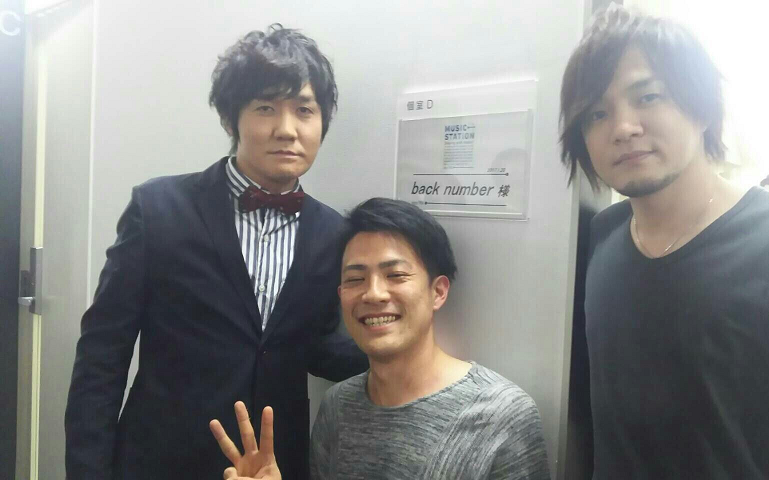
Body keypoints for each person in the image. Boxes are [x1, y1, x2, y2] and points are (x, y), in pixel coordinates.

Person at [559, 5, 769, 478]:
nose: (623, 127)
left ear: (700, 107)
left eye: (648, 96)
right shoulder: (602, 235)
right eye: (597, 113)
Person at [65, 25, 367, 480]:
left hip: (274, 467)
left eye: (304, 110)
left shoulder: (333, 232)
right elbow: (102, 355)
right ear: (230, 119)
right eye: (266, 108)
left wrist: (398, 352)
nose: (287, 129)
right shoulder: (158, 209)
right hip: (161, 463)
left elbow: (317, 347)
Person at [210, 198, 552, 479]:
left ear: (438, 292)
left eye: (396, 275)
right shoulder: (338, 407)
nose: (373, 294)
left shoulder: (502, 414)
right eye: (355, 279)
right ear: (341, 294)